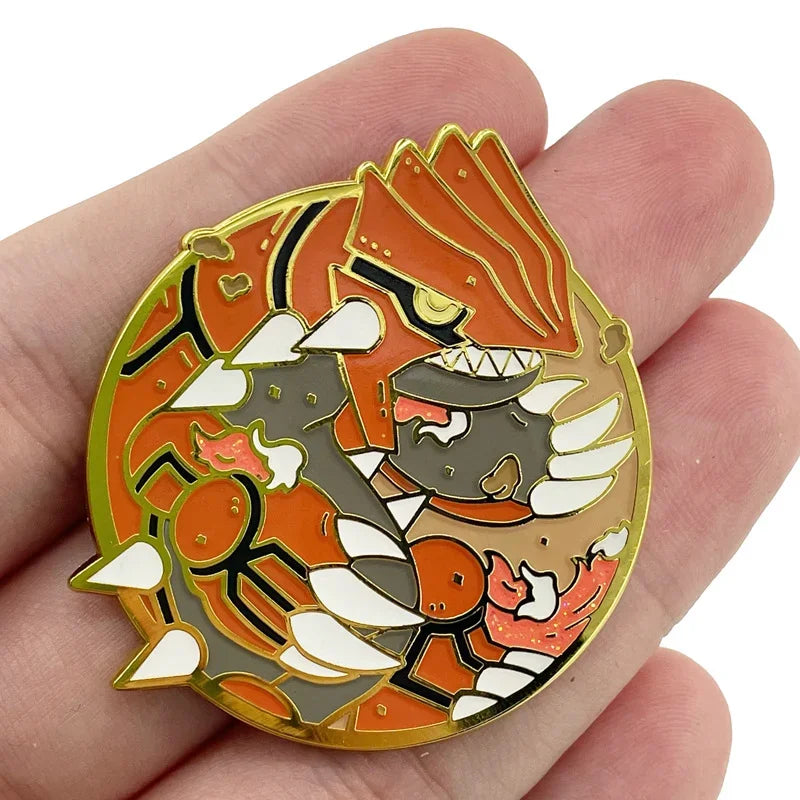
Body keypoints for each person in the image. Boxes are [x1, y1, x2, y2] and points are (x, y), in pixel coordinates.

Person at [0, 28, 795, 800]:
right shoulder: (322, 398)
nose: (417, 405)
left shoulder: (412, 566)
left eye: (461, 417)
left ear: (503, 479)